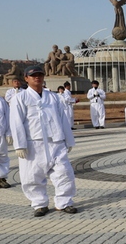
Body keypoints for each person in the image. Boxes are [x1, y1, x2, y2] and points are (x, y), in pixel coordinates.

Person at [10, 65, 77, 216]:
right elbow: (16, 122)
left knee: (64, 173)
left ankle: (64, 202)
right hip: (33, 143)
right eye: (33, 75)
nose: (37, 77)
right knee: (32, 175)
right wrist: (19, 144)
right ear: (26, 78)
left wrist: (68, 139)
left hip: (55, 142)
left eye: (40, 75)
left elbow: (63, 119)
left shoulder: (53, 97)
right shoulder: (20, 98)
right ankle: (39, 203)